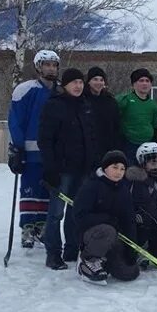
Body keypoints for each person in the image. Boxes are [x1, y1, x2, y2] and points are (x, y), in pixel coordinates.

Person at [38, 68, 98, 269]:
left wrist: (92, 163)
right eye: (74, 83)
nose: (79, 86)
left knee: (76, 211)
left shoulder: (85, 105)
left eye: (81, 82)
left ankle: (71, 249)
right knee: (56, 213)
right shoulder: (54, 106)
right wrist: (50, 168)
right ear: (65, 85)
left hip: (82, 169)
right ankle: (53, 253)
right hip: (61, 170)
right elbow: (45, 140)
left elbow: (90, 137)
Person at [7, 49, 60, 248]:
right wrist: (16, 148)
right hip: (30, 152)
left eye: (54, 65)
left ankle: (42, 226)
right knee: (30, 190)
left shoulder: (61, 90)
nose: (51, 68)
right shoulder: (25, 89)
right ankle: (27, 228)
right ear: (38, 67)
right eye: (47, 64)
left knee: (48, 190)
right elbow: (15, 120)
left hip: (53, 153)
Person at [73, 150, 140, 284]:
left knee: (127, 273)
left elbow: (129, 219)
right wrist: (106, 219)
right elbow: (79, 217)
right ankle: (87, 260)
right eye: (114, 167)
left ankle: (104, 260)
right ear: (105, 168)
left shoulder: (123, 189)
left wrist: (131, 248)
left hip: (113, 236)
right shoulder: (92, 185)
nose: (119, 172)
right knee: (107, 230)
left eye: (122, 169)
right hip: (91, 234)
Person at [126, 142, 157, 266]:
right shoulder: (139, 182)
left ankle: (153, 247)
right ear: (142, 163)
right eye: (153, 163)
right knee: (143, 221)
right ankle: (139, 249)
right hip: (140, 225)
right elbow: (148, 209)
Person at [115, 68, 157, 164]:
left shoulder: (153, 105)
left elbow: (155, 127)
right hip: (129, 145)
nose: (145, 84)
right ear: (134, 84)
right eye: (141, 81)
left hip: (148, 146)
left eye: (147, 81)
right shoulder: (124, 100)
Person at [83, 66, 122, 163]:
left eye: (101, 80)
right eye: (95, 79)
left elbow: (116, 125)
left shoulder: (110, 101)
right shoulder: (82, 100)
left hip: (106, 149)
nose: (98, 83)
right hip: (86, 149)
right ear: (89, 81)